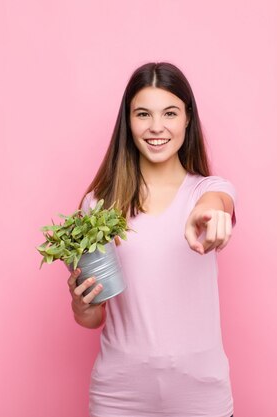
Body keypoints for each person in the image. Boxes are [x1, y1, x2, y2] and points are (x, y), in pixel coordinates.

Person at [66, 62, 237, 417]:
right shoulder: (99, 205)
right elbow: (93, 317)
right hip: (119, 397)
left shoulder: (208, 191)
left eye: (169, 113)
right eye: (143, 114)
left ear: (187, 118)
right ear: (128, 122)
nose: (156, 127)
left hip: (201, 396)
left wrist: (211, 216)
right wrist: (83, 306)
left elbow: (216, 205)